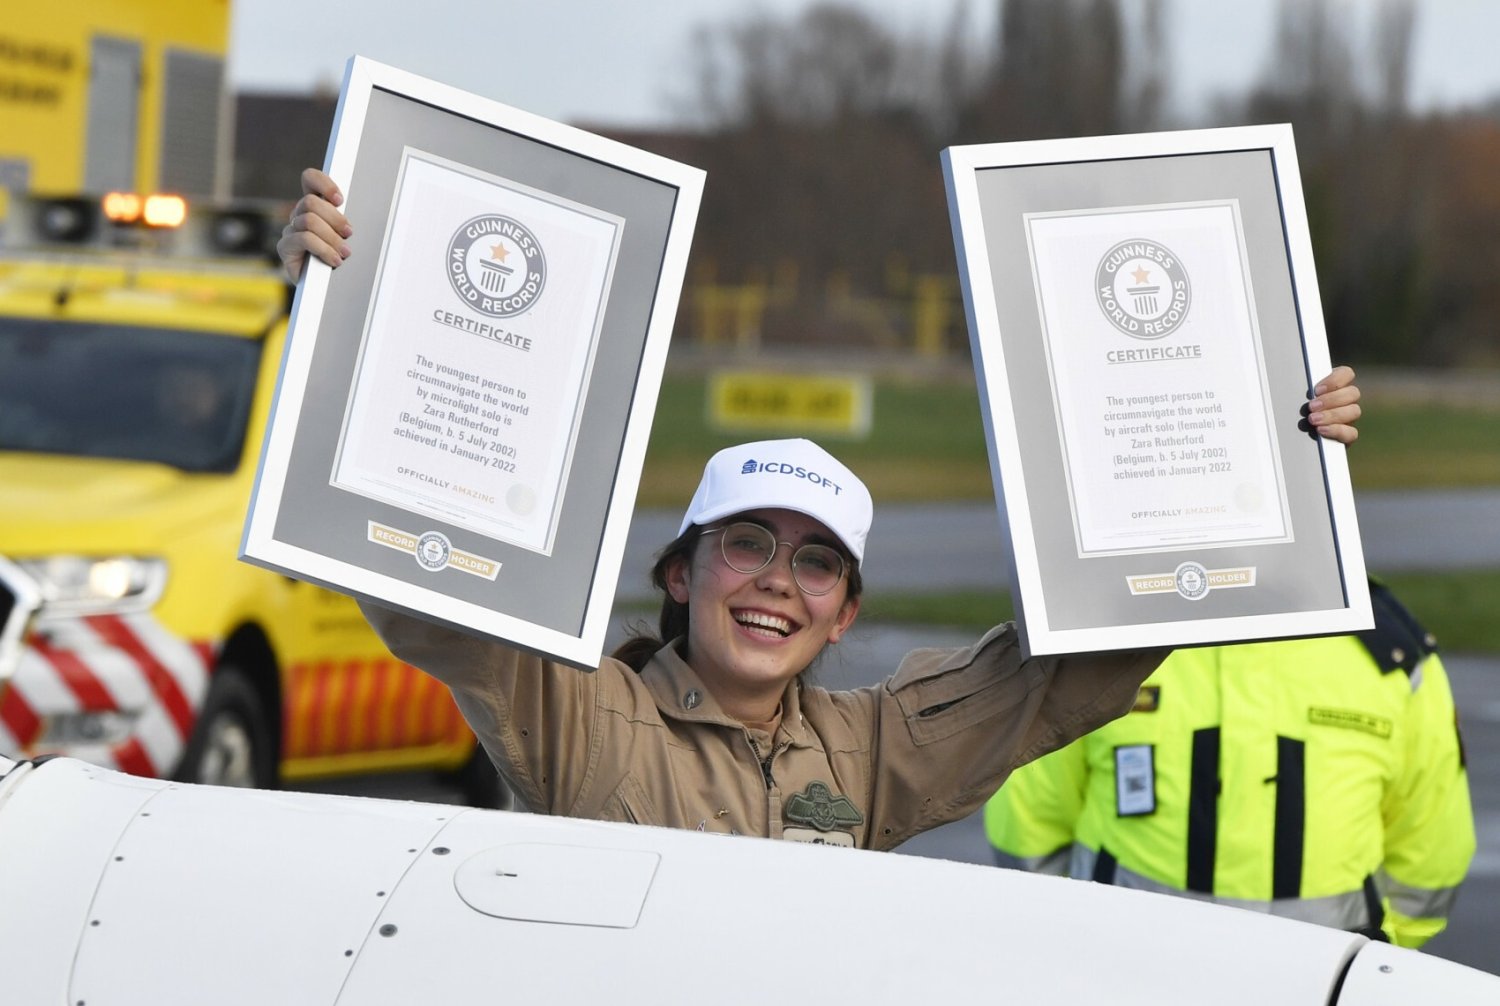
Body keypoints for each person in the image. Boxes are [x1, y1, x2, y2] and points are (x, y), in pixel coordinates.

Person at [277, 168, 1365, 849]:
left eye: (815, 563)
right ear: (681, 571)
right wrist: (330, 305)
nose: (775, 582)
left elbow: (1068, 667)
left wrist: (1277, 444)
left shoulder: (874, 750)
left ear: (844, 613)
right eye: (747, 542)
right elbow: (423, 579)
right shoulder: (580, 713)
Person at [983, 580, 1475, 948]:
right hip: (1124, 976)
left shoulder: (1392, 658)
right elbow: (1029, 825)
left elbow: (1430, 860)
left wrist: (1376, 964)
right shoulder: (1099, 639)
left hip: (1320, 983)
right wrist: (1072, 944)